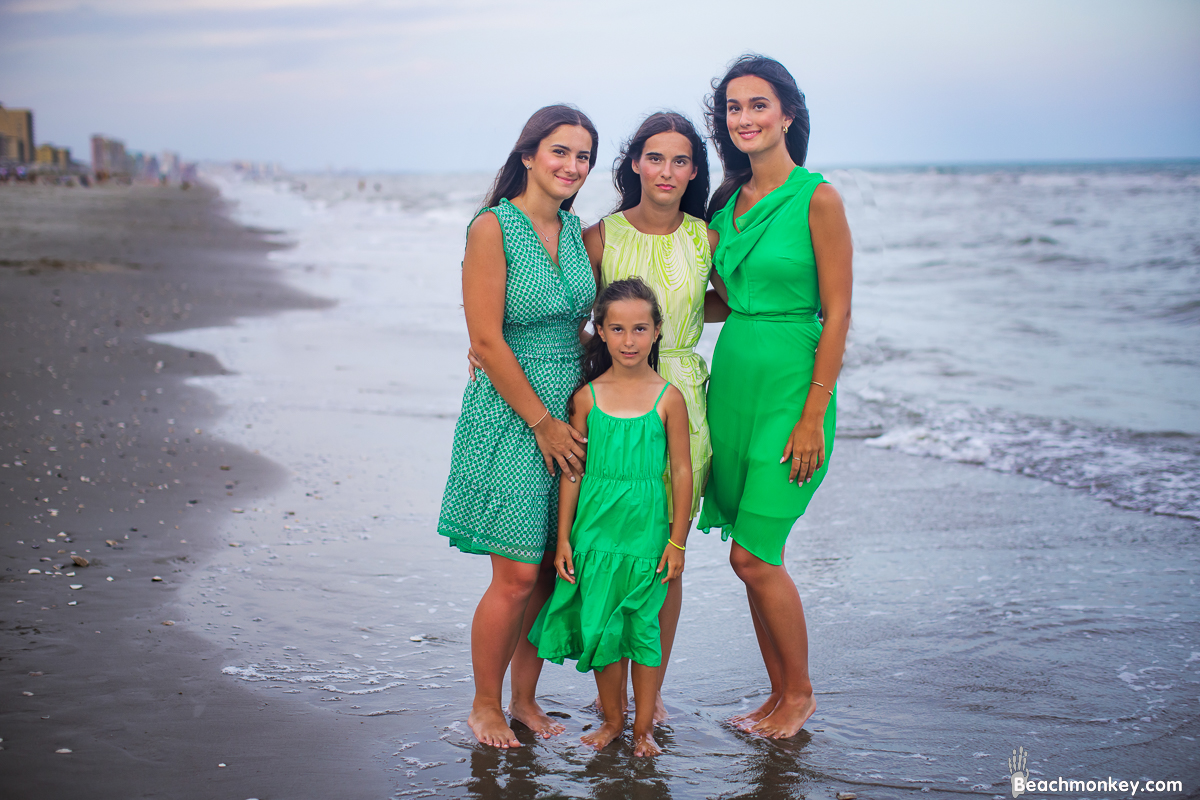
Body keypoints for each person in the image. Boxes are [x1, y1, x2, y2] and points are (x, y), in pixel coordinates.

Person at [698, 55, 854, 739]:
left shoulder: (817, 197)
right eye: (734, 109)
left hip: (793, 386)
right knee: (751, 556)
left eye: (758, 105)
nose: (745, 119)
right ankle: (777, 694)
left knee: (753, 554)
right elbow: (716, 304)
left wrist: (814, 414)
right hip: (732, 384)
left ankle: (801, 696)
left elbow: (840, 311)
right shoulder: (725, 208)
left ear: (788, 113)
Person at [437, 104, 599, 749]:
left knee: (554, 566)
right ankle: (484, 705)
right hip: (513, 412)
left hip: (574, 403)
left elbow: (583, 320)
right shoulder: (492, 227)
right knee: (515, 573)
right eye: (560, 151)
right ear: (529, 155)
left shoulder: (575, 226)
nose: (572, 166)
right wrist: (541, 423)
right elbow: (486, 337)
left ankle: (525, 701)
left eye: (583, 156)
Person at [580, 111, 724, 721]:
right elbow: (567, 316)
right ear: (634, 162)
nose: (668, 171)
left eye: (682, 160)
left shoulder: (708, 237)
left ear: (695, 172)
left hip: (684, 399)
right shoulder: (598, 237)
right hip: (612, 405)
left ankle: (651, 696)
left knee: (666, 550)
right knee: (612, 545)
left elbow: (731, 300)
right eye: (656, 158)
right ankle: (610, 699)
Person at [529, 278, 693, 757]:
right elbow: (572, 474)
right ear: (599, 331)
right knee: (602, 627)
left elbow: (681, 471)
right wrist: (562, 539)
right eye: (617, 329)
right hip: (594, 536)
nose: (628, 340)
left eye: (640, 328)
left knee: (642, 629)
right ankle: (614, 721)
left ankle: (644, 728)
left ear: (657, 331)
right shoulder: (586, 399)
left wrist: (677, 540)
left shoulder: (669, 399)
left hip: (645, 536)